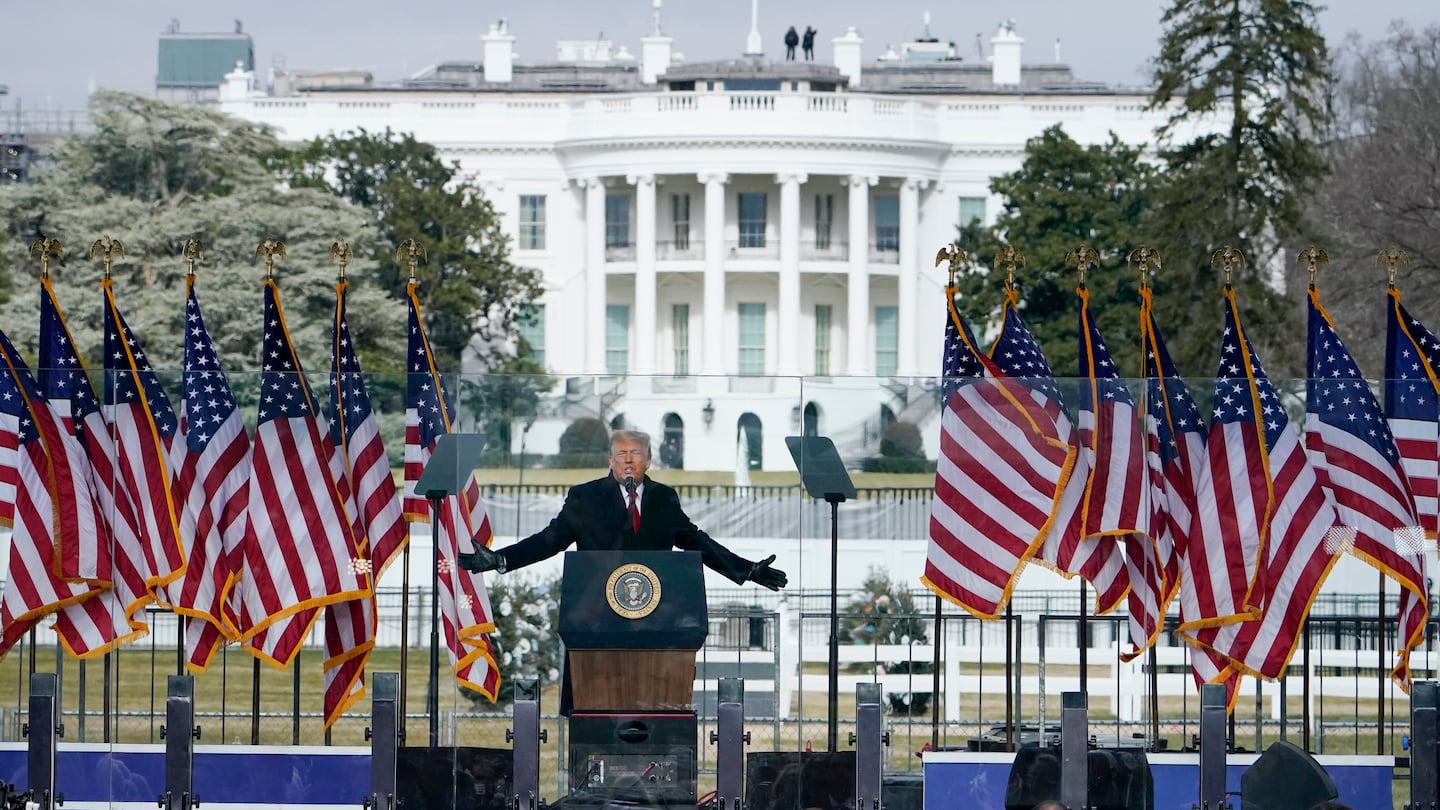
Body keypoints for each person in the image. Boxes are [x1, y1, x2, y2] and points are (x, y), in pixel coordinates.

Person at [457, 429, 787, 590]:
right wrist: (502, 559)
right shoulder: (584, 498)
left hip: (654, 609)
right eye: (621, 454)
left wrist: (745, 570)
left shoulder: (663, 498)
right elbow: (550, 540)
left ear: (649, 460)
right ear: (610, 460)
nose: (628, 460)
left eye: (636, 454)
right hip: (596, 608)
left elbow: (697, 542)